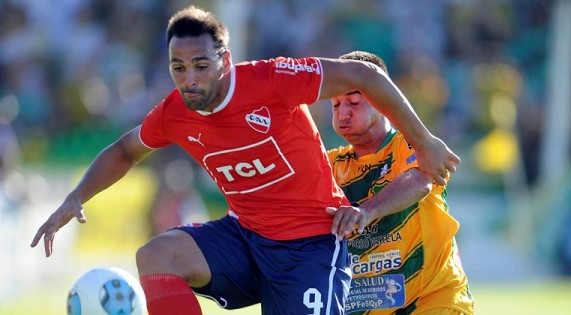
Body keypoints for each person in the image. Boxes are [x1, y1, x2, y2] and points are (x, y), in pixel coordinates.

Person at [30, 6, 460, 315]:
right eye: (178, 67)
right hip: (247, 238)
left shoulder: (272, 79)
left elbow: (366, 75)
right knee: (158, 255)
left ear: (225, 61)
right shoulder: (174, 112)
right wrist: (75, 196)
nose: (190, 78)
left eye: (201, 64)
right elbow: (125, 150)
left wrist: (424, 143)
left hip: (309, 247)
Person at [326, 51, 474, 315]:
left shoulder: (413, 144)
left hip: (434, 300)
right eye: (336, 105)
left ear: (383, 100)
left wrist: (367, 211)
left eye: (354, 103)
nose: (343, 114)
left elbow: (419, 180)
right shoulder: (331, 164)